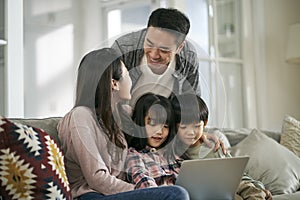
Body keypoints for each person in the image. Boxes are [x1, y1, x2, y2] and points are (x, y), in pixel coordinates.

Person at [57, 48, 189, 200]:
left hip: (121, 192)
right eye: (127, 74)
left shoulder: (122, 113)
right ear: (114, 83)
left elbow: (155, 118)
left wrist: (202, 134)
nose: (131, 79)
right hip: (91, 195)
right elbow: (97, 178)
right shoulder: (81, 117)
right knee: (176, 194)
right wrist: (144, 190)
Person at [112, 7, 226, 153]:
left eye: (164, 50)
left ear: (180, 47)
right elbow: (106, 99)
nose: (154, 54)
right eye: (150, 44)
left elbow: (191, 103)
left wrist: (197, 133)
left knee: (220, 139)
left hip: (165, 132)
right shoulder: (124, 48)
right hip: (124, 128)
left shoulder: (188, 56)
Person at [171, 93, 273, 200]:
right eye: (183, 127)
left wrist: (259, 188)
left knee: (246, 191)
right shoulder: (171, 151)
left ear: (205, 123)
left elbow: (239, 176)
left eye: (196, 126)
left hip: (226, 192)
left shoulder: (214, 148)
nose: (190, 132)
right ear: (174, 126)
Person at [125, 93, 180, 188]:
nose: (159, 132)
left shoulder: (173, 156)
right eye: (153, 124)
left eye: (165, 126)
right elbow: (147, 188)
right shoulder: (134, 156)